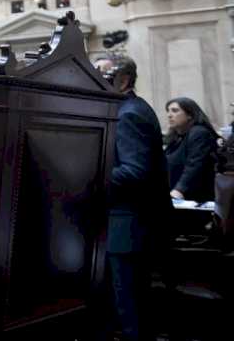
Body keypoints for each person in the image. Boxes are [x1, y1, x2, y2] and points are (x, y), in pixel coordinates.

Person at [95, 55, 172, 341]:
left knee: (131, 313)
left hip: (129, 229)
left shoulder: (130, 114)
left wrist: (89, 176)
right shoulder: (125, 109)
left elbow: (134, 172)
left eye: (102, 76)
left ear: (123, 80)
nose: (96, 82)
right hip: (123, 228)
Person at [165, 97, 220, 203]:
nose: (169, 115)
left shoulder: (199, 133)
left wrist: (179, 190)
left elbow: (195, 164)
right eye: (168, 111)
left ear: (190, 114)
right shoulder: (176, 138)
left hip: (195, 199)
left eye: (175, 111)